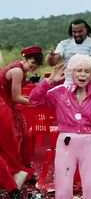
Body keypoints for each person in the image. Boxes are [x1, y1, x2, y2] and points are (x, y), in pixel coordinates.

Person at [29, 54, 91, 199]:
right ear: (72, 72)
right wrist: (49, 81)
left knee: (90, 187)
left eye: (87, 71)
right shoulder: (60, 92)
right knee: (63, 188)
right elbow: (34, 99)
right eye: (79, 70)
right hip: (66, 142)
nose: (82, 74)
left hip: (89, 143)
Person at [0, 46, 43, 191]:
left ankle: (15, 172)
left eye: (37, 65)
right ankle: (13, 174)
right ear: (25, 59)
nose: (34, 66)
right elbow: (16, 97)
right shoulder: (18, 71)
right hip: (5, 108)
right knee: (13, 141)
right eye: (33, 62)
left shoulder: (20, 69)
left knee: (22, 137)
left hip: (9, 107)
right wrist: (36, 102)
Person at [48, 18, 91, 85]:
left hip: (87, 86)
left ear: (86, 30)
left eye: (80, 31)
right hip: (68, 85)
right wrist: (51, 58)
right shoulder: (63, 44)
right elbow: (53, 63)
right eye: (74, 32)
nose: (77, 34)